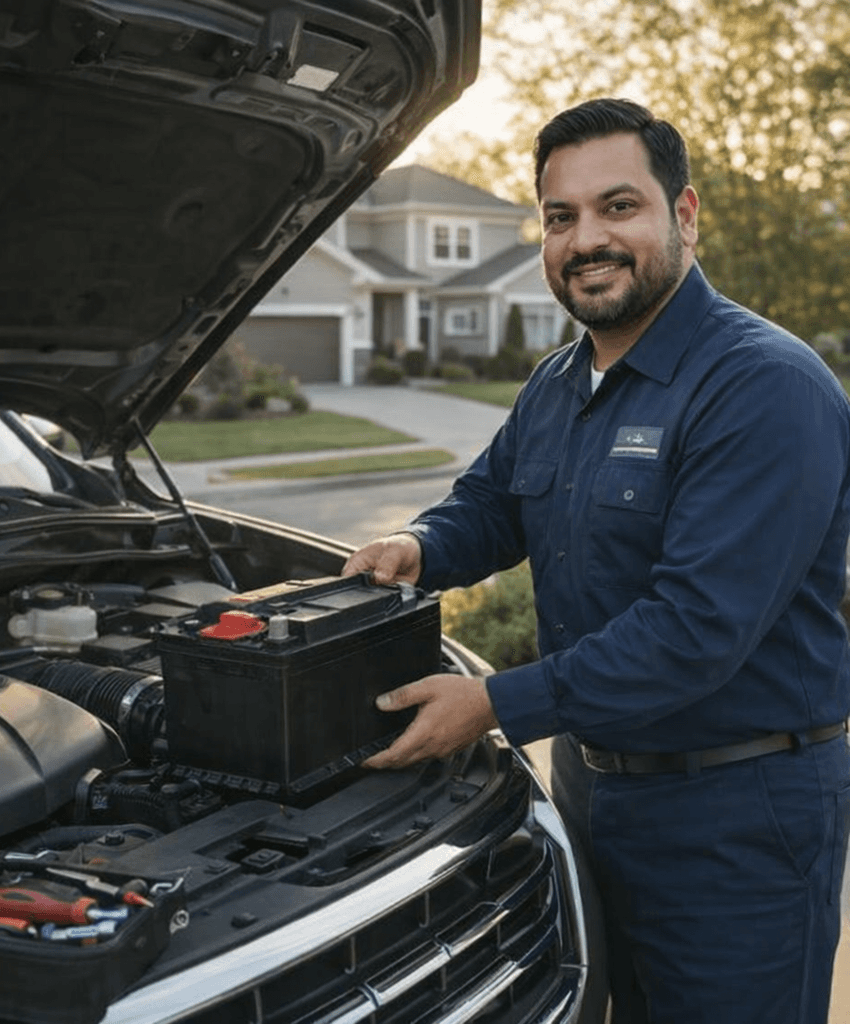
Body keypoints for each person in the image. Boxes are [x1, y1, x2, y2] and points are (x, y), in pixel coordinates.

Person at [343, 97, 850, 1024]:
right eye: (560, 216)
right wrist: (416, 548)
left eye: (619, 207)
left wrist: (493, 705)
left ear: (684, 215)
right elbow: (493, 502)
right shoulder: (560, 380)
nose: (587, 240)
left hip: (735, 814)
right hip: (591, 793)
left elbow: (694, 632)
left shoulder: (763, 388)